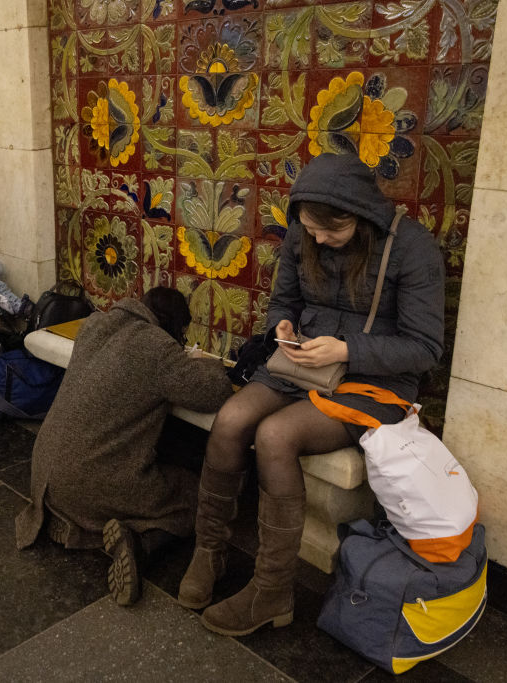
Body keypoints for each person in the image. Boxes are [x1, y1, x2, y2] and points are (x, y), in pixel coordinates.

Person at [177, 153, 445, 636]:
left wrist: (347, 348)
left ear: (359, 217)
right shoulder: (304, 234)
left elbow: (424, 348)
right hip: (302, 364)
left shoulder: (411, 247)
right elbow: (284, 301)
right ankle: (209, 551)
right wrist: (282, 327)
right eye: (310, 230)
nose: (317, 240)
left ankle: (272, 590)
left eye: (330, 232)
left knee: (277, 434)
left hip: (373, 383)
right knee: (233, 417)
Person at [16, 288, 233, 606]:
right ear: (174, 326)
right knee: (197, 498)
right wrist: (202, 362)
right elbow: (214, 392)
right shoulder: (158, 348)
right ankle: (138, 543)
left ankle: (94, 522)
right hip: (86, 481)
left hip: (44, 474)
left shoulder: (94, 325)